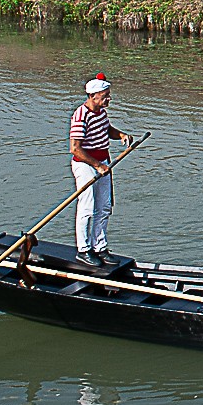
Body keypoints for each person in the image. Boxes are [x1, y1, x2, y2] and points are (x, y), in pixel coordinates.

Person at [69, 74, 130, 264]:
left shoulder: (101, 112)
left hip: (103, 162)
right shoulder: (81, 116)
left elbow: (107, 129)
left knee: (104, 207)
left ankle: (100, 247)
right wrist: (97, 165)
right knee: (87, 207)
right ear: (93, 96)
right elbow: (75, 148)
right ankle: (83, 250)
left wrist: (121, 135)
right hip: (86, 164)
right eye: (105, 96)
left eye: (108, 95)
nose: (108, 99)